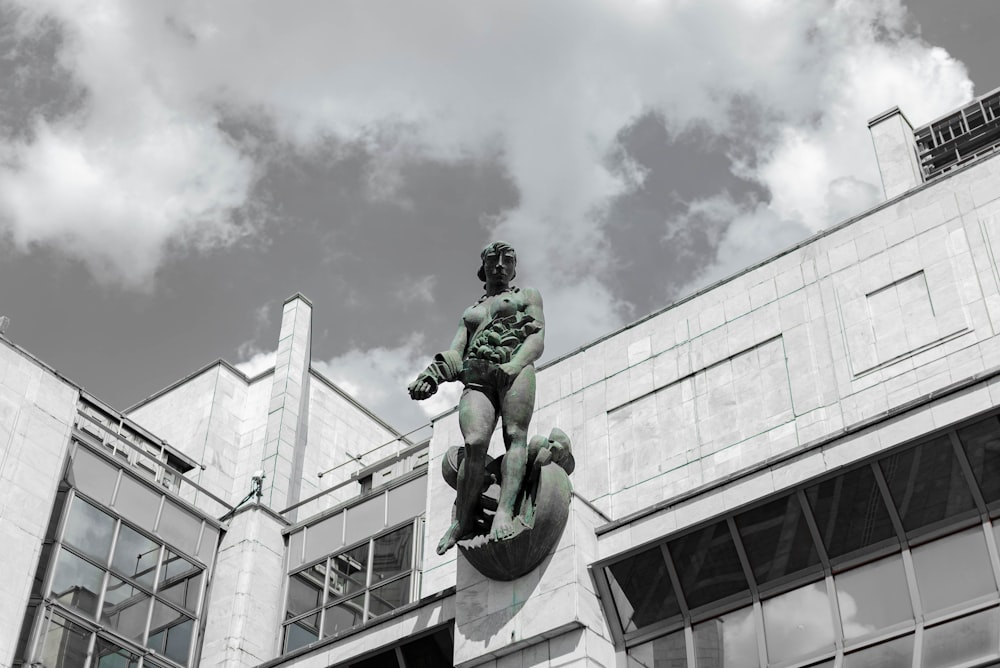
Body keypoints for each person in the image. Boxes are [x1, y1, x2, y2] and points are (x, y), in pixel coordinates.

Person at [408, 241, 545, 555]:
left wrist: (515, 363)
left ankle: (505, 512)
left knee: (515, 435)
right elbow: (457, 350)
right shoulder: (471, 311)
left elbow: (538, 336)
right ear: (482, 267)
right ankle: (464, 519)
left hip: (515, 368)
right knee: (474, 442)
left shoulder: (527, 296)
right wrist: (432, 375)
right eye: (493, 260)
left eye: (507, 260)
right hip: (477, 376)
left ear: (514, 267)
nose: (499, 265)